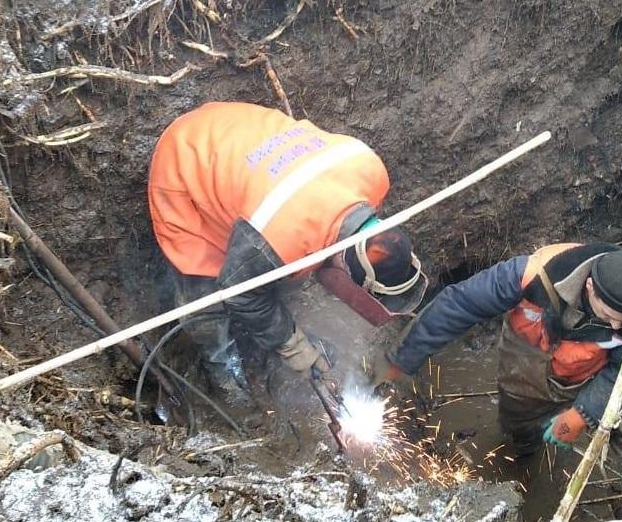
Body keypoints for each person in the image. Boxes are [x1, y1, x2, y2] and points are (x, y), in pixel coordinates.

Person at [146, 102, 426, 393]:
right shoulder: (275, 240)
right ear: (343, 265)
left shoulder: (372, 173)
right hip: (187, 161)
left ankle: (260, 333)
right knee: (205, 295)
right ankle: (224, 373)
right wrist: (291, 346)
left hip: (243, 132)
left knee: (275, 272)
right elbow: (239, 293)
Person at [384, 242, 622, 509]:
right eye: (608, 314)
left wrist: (582, 414)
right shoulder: (532, 275)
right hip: (526, 364)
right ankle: (525, 452)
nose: (614, 325)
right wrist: (403, 360)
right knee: (520, 432)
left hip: (595, 379)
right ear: (589, 287)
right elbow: (458, 306)